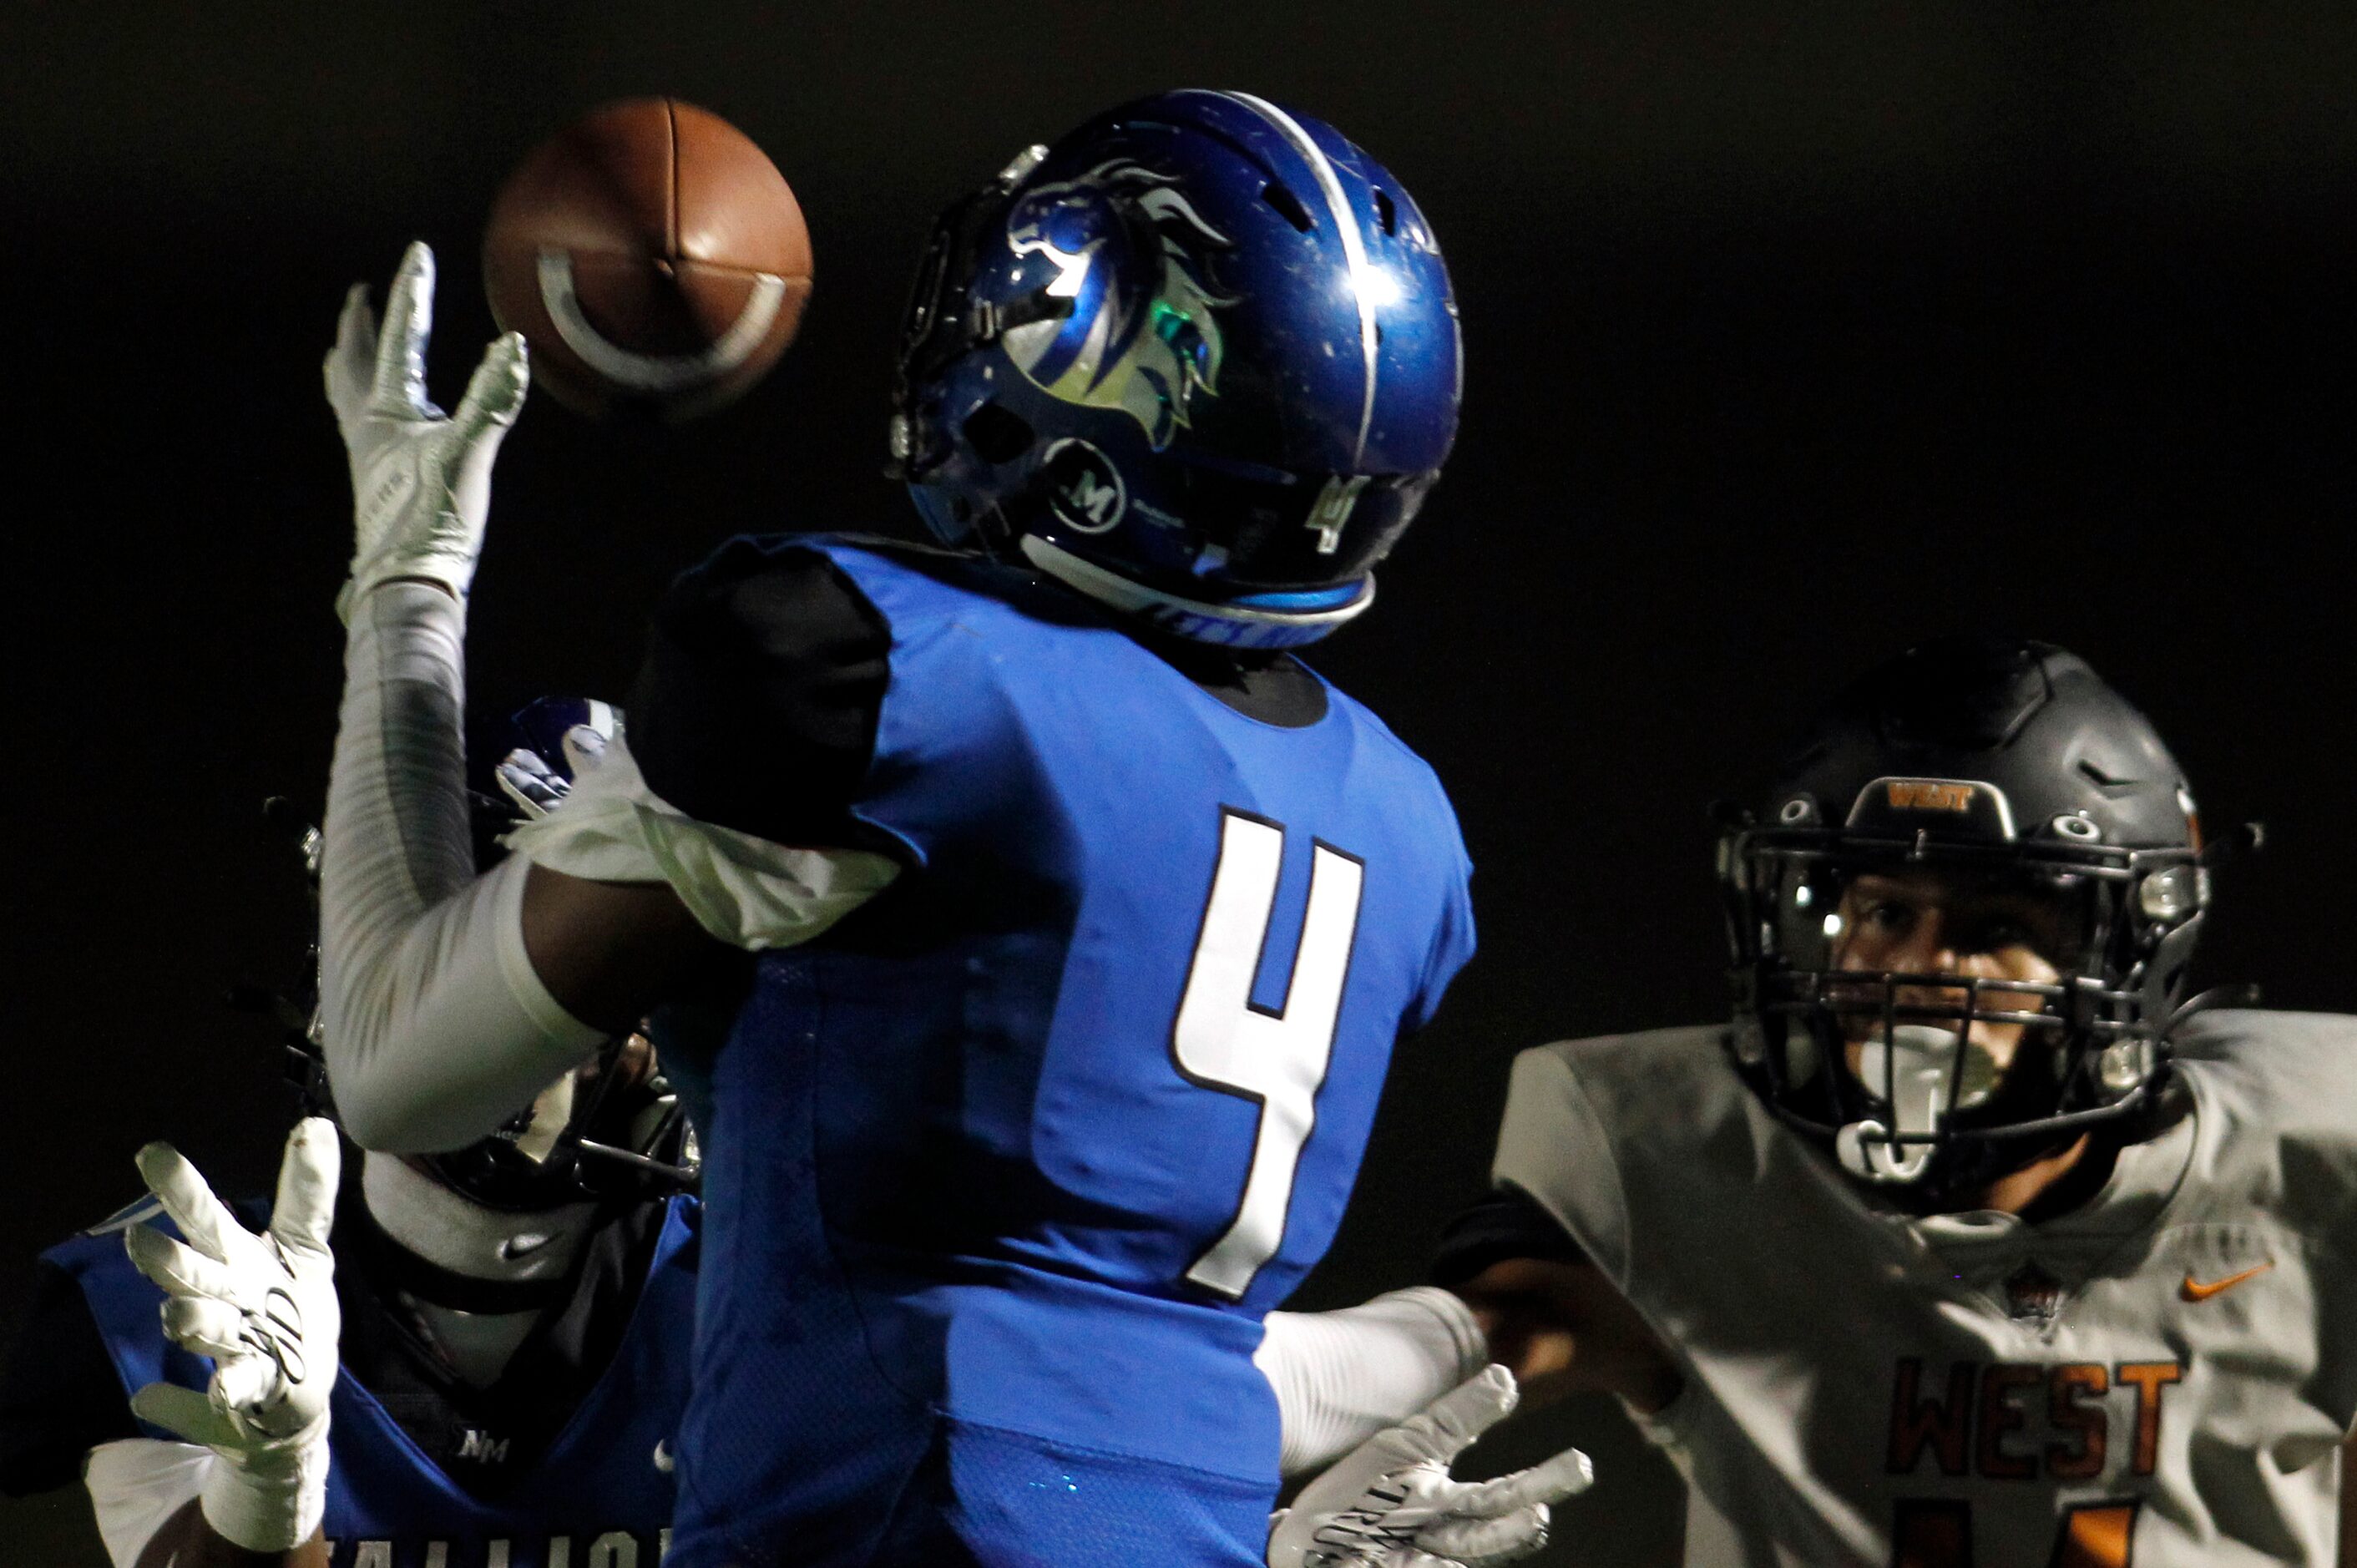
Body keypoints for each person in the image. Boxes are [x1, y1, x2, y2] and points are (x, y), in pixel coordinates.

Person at [312, 91, 1499, 1568]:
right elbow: (1138, 1347)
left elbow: (392, 1061)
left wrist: (408, 589)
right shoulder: (1400, 822)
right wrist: (1470, 1329)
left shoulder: (877, 681)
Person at [1258, 637, 2357, 1566]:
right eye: (1879, 911)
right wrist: (1235, 1401)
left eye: (1990, 926)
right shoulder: (1692, 1155)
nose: (1916, 968)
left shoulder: (2313, 1147)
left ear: (2131, 952)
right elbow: (1479, 1337)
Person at [0, 723, 701, 1568]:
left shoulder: (762, 1280)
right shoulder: (174, 1301)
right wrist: (265, 1492)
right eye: (578, 976)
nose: (643, 1036)